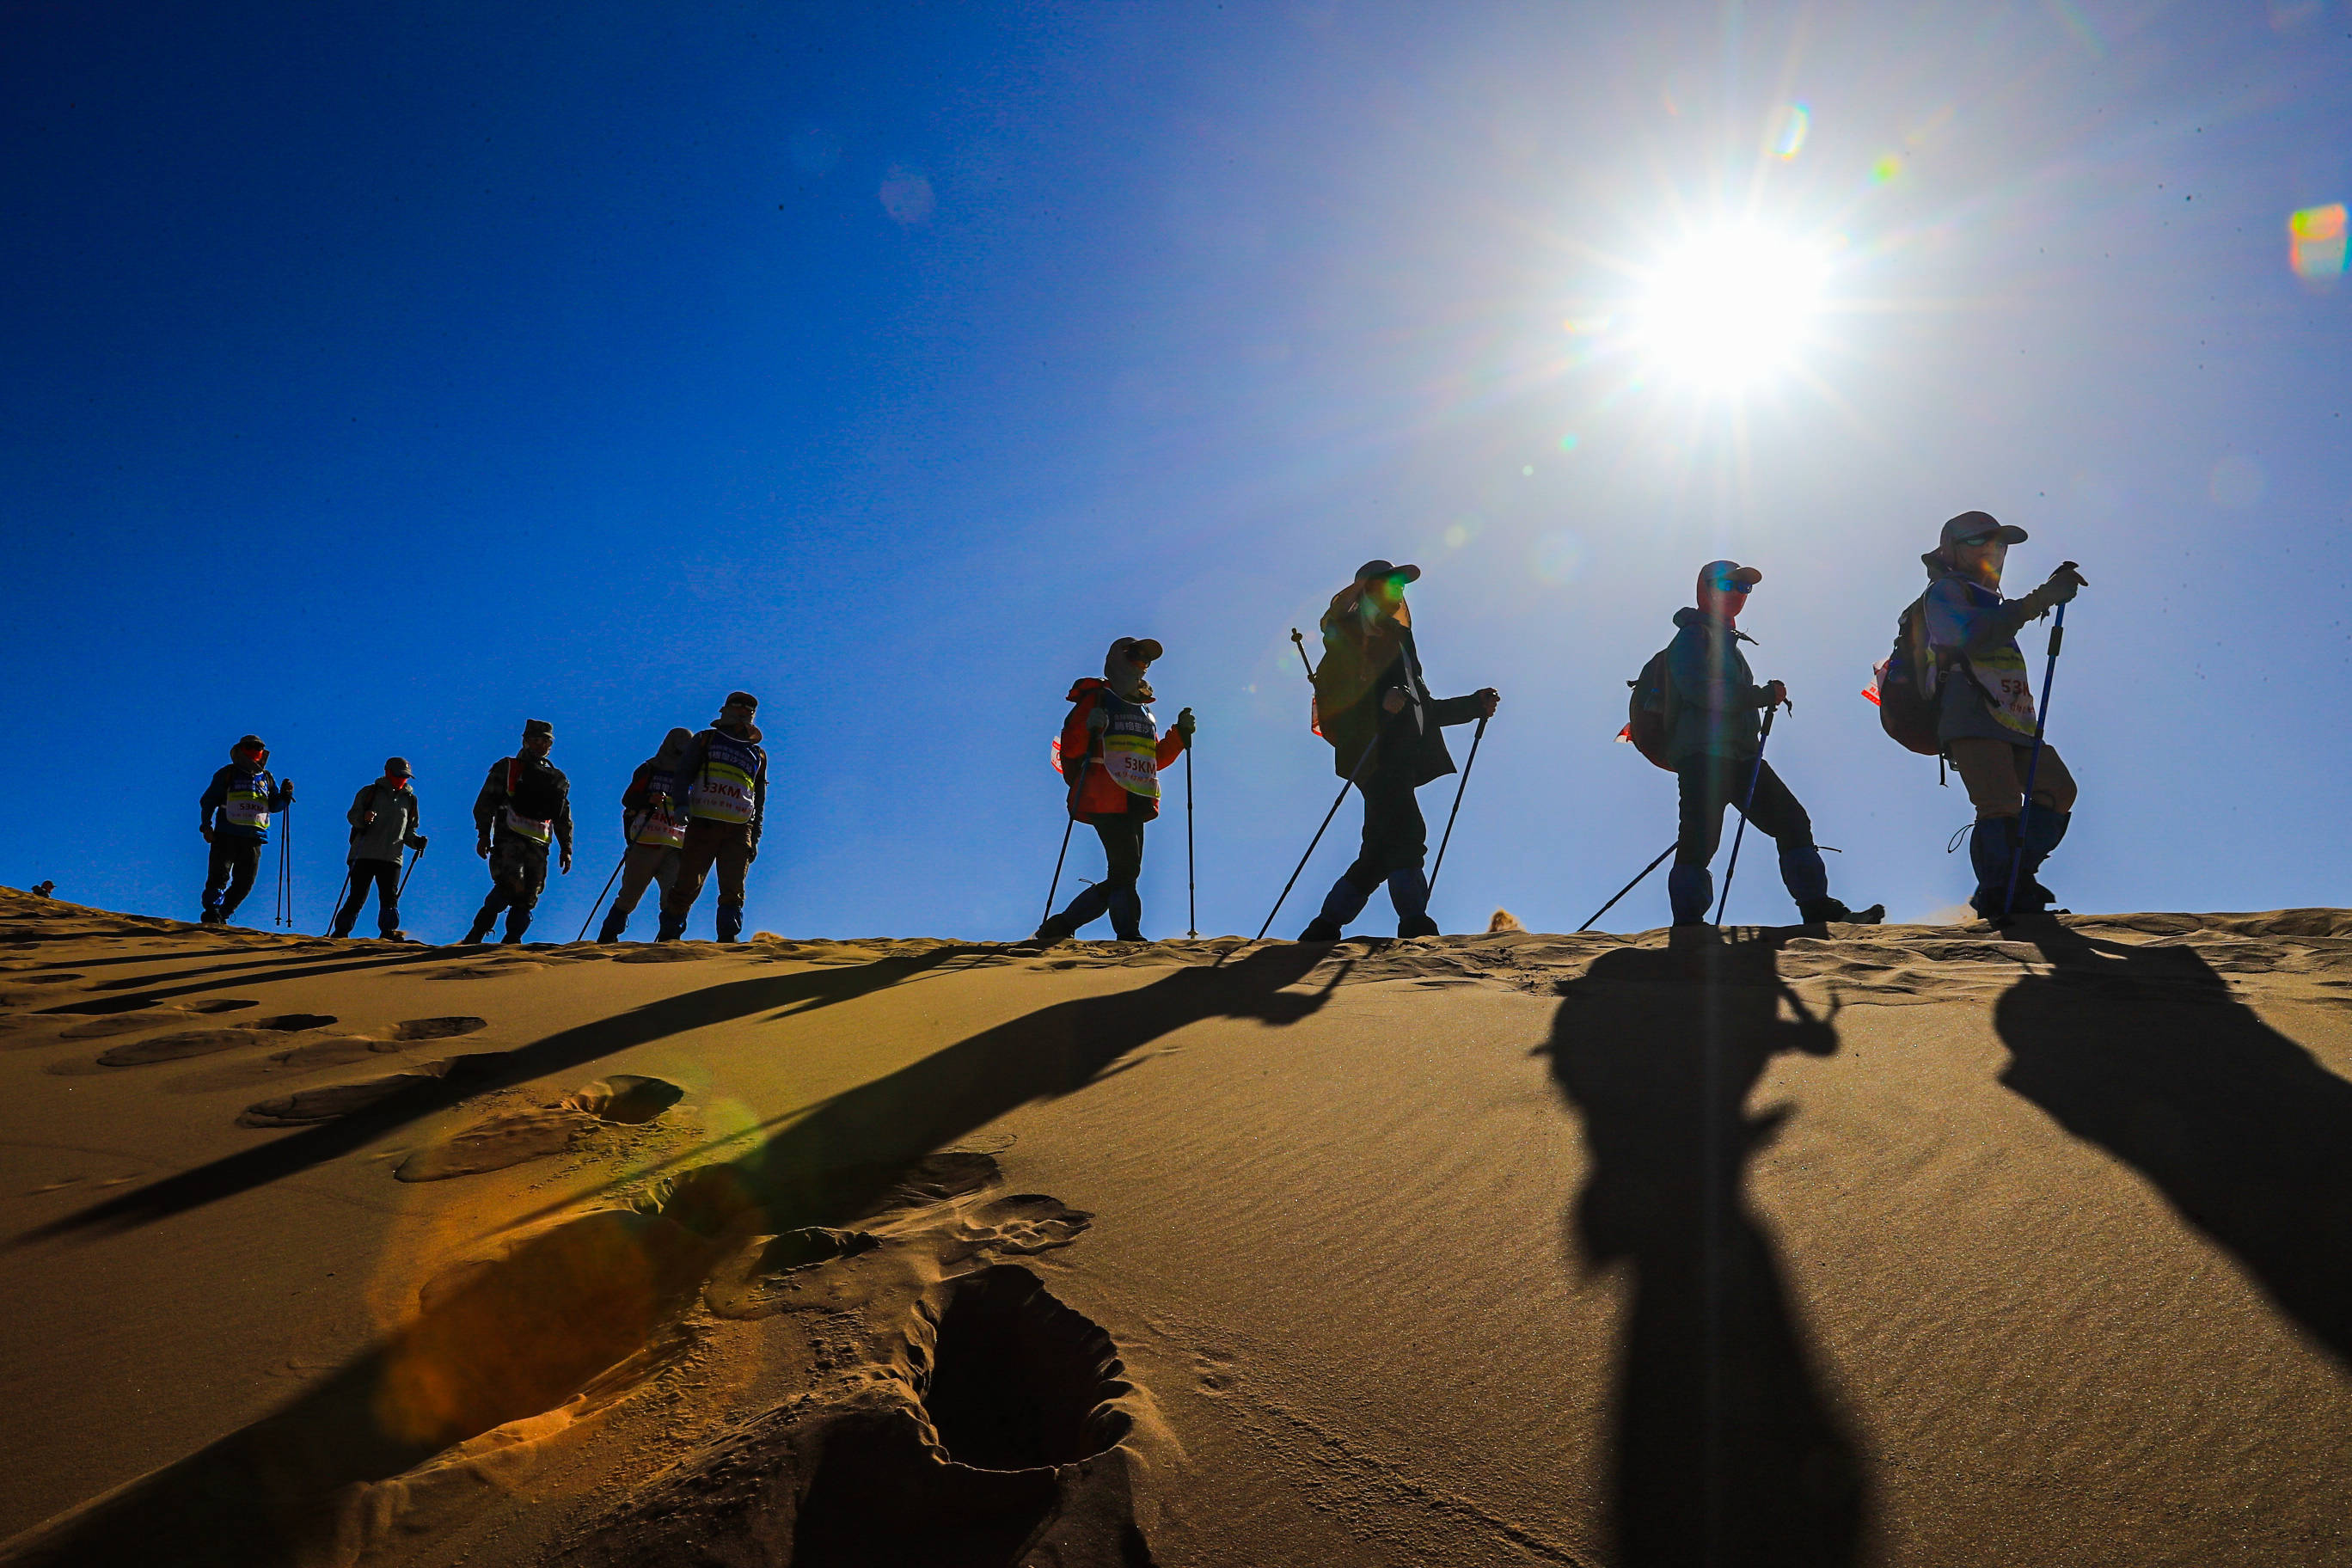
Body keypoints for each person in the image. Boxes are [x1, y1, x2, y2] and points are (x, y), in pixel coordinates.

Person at [1662, 560, 1881, 928]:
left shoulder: (1724, 642)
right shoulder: (1692, 636)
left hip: (1740, 753)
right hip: (1703, 755)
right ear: (1706, 589)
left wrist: (1758, 698)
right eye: (1728, 585)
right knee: (1701, 839)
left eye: (1744, 588)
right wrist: (1760, 696)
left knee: (1791, 821)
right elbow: (1699, 690)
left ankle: (1816, 908)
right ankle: (1688, 926)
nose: (1737, 594)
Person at [1300, 560, 1498, 940]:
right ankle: (1415, 925)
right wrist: (1381, 708)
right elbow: (1335, 699)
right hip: (1374, 756)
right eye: (1393, 585)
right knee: (1408, 834)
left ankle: (1325, 927)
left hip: (1396, 756)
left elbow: (1420, 708)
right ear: (1371, 589)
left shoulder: (1398, 640)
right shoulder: (1349, 636)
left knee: (1378, 852)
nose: (1400, 592)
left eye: (1402, 587)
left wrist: (1473, 705)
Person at [1919, 511, 2087, 919]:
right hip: (1971, 711)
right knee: (1999, 804)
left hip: (2013, 717)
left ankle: (2013, 880)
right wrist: (2039, 600)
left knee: (2058, 791)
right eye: (1980, 540)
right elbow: (1967, 635)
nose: (1994, 549)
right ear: (1951, 549)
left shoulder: (1985, 597)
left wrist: (2038, 600)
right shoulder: (1944, 592)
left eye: (2000, 543)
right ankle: (2002, 896)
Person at [1034, 637, 1195, 944]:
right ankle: (1126, 935)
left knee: (1125, 872)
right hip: (1104, 793)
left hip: (1135, 795)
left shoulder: (1143, 709)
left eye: (1146, 660)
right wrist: (1089, 726)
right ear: (1118, 658)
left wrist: (1179, 736)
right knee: (1126, 870)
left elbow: (1153, 757)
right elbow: (1072, 746)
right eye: (1136, 655)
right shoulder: (1097, 698)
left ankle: (1062, 926)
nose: (1142, 664)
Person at [655, 693, 769, 943]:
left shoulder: (757, 754)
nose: (743, 712)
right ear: (726, 710)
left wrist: (755, 834)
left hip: (740, 827)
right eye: (737, 707)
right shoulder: (706, 740)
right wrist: (681, 804)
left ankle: (728, 938)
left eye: (748, 709)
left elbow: (758, 796)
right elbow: (683, 774)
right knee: (687, 884)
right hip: (703, 822)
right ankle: (669, 937)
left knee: (733, 888)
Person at [462, 719, 573, 944]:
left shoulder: (558, 778)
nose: (541, 745)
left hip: (539, 844)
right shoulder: (508, 767)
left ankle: (511, 943)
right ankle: (476, 935)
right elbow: (486, 802)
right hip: (508, 838)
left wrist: (566, 848)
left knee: (530, 894)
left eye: (546, 741)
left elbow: (562, 817)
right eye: (537, 740)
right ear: (525, 741)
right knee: (510, 883)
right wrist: (483, 834)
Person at [597, 727, 695, 943]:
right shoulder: (649, 769)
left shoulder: (692, 776)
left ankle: (669, 938)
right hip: (646, 840)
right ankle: (608, 936)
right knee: (629, 894)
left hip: (676, 843)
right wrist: (648, 800)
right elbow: (628, 799)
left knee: (674, 895)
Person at [198, 735, 293, 926]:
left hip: (253, 837)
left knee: (245, 882)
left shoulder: (266, 778)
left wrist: (285, 796)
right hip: (226, 833)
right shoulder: (228, 773)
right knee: (219, 876)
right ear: (241, 749)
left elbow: (274, 806)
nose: (255, 750)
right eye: (251, 747)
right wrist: (206, 825)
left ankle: (222, 912)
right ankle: (212, 913)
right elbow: (209, 800)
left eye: (258, 747)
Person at [332, 757, 426, 939]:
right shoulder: (370, 792)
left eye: (405, 776)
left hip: (392, 857)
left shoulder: (410, 800)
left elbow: (409, 831)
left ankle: (388, 932)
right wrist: (364, 818)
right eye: (399, 775)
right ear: (388, 772)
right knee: (357, 896)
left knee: (390, 897)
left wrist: (416, 842)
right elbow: (353, 816)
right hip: (364, 853)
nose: (402, 779)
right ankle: (341, 932)